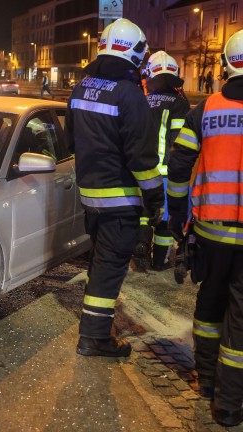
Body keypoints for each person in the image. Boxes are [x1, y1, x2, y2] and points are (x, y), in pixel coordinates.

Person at [65, 18, 164, 357]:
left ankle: (94, 332)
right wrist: (155, 200)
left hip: (90, 198)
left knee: (100, 264)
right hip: (120, 201)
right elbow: (142, 158)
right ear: (136, 53)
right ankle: (94, 339)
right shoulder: (131, 95)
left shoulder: (81, 87)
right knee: (108, 271)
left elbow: (70, 140)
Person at [166, 29, 243, 427]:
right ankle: (230, 405)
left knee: (209, 308)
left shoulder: (204, 111)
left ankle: (208, 383)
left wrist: (178, 218)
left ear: (227, 64)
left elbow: (179, 167)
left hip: (212, 232)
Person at [132, 51, 190, 272]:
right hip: (166, 172)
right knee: (164, 219)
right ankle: (161, 261)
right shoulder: (179, 104)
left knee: (145, 212)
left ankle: (141, 245)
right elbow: (179, 141)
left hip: (141, 170)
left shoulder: (141, 101)